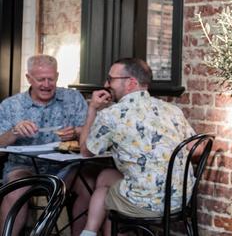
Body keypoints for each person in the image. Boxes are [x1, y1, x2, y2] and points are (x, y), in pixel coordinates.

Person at [77, 58, 195, 236]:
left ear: (131, 83)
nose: (105, 84)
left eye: (110, 79)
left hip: (148, 203)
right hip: (180, 199)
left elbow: (86, 151)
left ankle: (89, 232)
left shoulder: (111, 115)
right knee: (105, 177)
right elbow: (197, 149)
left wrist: (93, 109)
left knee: (104, 191)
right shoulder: (172, 110)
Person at [0, 54, 91, 236]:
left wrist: (76, 132)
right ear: (28, 78)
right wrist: (14, 133)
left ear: (57, 76)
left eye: (51, 79)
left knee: (88, 185)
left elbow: (90, 134)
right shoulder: (11, 105)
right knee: (17, 189)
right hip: (24, 166)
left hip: (66, 167)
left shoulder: (73, 99)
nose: (47, 84)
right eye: (41, 79)